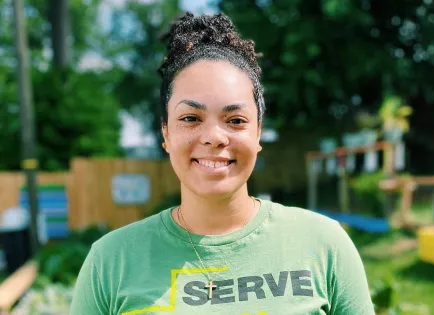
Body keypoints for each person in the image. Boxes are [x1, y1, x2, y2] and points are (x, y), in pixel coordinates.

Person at [70, 12, 375, 315]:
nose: (214, 137)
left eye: (235, 120)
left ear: (257, 133)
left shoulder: (324, 245)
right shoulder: (110, 261)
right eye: (190, 118)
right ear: (165, 132)